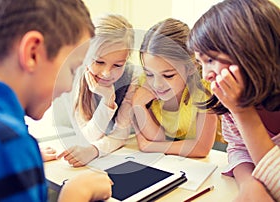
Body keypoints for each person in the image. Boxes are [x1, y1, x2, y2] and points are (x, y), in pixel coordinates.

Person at [0, 0, 113, 201]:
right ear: (33, 53)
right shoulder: (7, 144)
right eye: (71, 69)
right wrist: (76, 193)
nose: (69, 86)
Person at [187, 0, 280, 201]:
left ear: (251, 50)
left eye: (210, 60)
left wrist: (243, 112)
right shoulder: (229, 103)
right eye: (200, 63)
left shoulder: (237, 105)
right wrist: (249, 184)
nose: (206, 75)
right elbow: (238, 149)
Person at [51, 14, 141, 167]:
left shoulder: (134, 77)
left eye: (118, 65)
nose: (107, 73)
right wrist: (107, 100)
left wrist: (93, 151)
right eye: (99, 62)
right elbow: (87, 137)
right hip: (98, 152)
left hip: (125, 152)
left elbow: (120, 134)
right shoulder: (75, 75)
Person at [132, 18, 217, 158]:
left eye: (168, 75)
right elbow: (158, 139)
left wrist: (149, 146)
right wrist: (137, 104)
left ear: (191, 68)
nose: (157, 84)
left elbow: (201, 148)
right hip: (171, 160)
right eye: (149, 74)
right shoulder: (144, 86)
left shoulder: (205, 91)